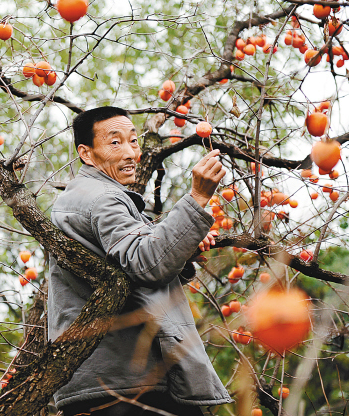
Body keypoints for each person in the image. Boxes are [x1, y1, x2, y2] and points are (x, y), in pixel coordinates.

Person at [48, 106, 232, 416]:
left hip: (107, 379)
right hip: (126, 384)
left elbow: (131, 268)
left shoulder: (85, 195)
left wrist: (183, 246)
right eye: (115, 142)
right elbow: (148, 264)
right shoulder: (102, 198)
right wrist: (198, 197)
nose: (131, 152)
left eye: (134, 141)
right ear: (87, 153)